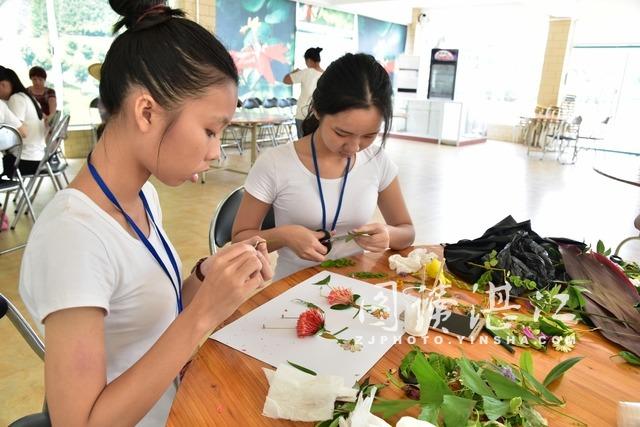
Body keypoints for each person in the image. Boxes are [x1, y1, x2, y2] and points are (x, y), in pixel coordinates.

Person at [18, 1, 272, 426]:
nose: (214, 152)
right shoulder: (72, 237)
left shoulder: (143, 197)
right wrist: (204, 314)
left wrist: (211, 277)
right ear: (147, 111)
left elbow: (146, 317)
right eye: (210, 130)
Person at [233, 53, 415, 280]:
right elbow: (240, 239)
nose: (354, 147)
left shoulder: (377, 160)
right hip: (292, 288)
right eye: (342, 133)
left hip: (356, 288)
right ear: (318, 110)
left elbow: (406, 231)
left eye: (369, 135)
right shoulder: (275, 163)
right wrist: (285, 236)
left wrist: (388, 234)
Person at [0, 66, 46, 178]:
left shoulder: (16, 99)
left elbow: (18, 133)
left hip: (24, 160)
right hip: (39, 157)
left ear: (3, 85)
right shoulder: (29, 97)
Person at [283, 47, 323, 138]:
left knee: (302, 143)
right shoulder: (326, 74)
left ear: (308, 60)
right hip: (318, 116)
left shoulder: (306, 72)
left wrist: (294, 72)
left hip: (302, 115)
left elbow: (285, 80)